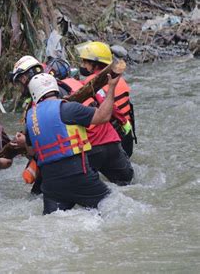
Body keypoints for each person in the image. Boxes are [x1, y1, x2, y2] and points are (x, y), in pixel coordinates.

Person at [24, 73, 120, 215]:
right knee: (115, 207)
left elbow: (31, 151)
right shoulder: (69, 108)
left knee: (52, 224)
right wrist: (111, 87)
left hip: (52, 186)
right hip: (79, 177)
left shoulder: (30, 118)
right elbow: (103, 116)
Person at [49, 59, 134, 186]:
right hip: (110, 140)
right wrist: (124, 122)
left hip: (88, 147)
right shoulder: (85, 85)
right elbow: (110, 105)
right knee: (127, 183)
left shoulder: (51, 100)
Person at [76, 41, 137, 157]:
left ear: (95, 64)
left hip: (115, 135)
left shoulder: (93, 82)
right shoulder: (118, 78)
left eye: (85, 61)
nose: (83, 65)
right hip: (128, 133)